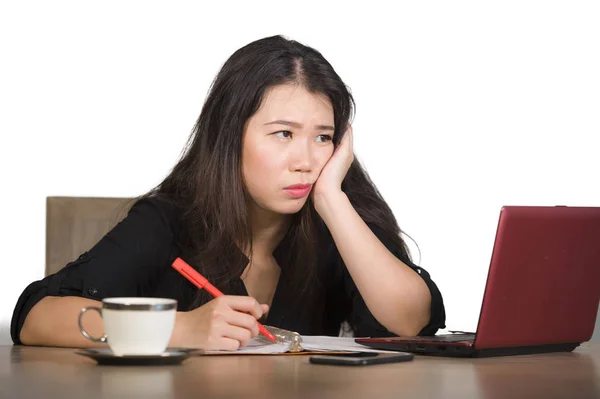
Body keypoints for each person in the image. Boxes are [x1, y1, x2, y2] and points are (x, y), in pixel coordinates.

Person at [11, 35, 446, 351]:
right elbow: (34, 319)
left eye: (323, 137)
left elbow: (410, 322)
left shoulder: (339, 215)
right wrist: (181, 330)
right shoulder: (170, 221)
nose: (306, 161)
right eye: (282, 134)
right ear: (229, 137)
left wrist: (332, 200)